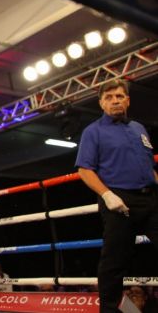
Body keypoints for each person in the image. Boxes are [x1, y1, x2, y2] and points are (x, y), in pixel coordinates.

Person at [76, 79, 158, 313]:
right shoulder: (93, 131)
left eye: (119, 96)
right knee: (114, 262)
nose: (115, 101)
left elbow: (149, 166)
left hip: (150, 198)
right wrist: (107, 194)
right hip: (118, 200)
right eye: (109, 97)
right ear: (101, 103)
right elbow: (84, 170)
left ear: (127, 101)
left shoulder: (139, 128)